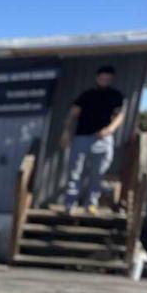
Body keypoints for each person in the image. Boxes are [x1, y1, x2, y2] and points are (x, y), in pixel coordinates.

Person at [61, 65, 125, 213]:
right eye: (102, 78)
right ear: (97, 78)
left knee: (98, 173)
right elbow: (72, 114)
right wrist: (66, 132)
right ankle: (70, 204)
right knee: (75, 172)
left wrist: (109, 129)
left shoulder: (116, 96)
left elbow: (120, 115)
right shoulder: (87, 95)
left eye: (108, 79)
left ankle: (91, 204)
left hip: (103, 139)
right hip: (81, 137)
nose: (104, 81)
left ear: (112, 79)